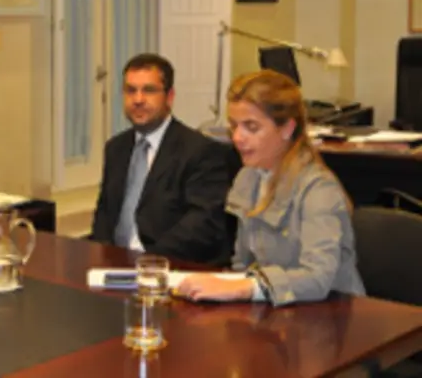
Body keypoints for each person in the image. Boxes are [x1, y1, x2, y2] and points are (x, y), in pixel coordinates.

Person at [177, 70, 365, 306]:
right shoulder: (248, 177)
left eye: (251, 127)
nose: (237, 138)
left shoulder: (318, 190)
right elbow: (242, 263)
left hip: (333, 316)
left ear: (287, 129)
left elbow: (318, 278)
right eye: (234, 126)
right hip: (278, 311)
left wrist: (243, 288)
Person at [89, 53, 233, 265]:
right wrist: (101, 255)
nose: (138, 99)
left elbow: (202, 225)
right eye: (130, 90)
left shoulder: (201, 151)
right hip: (114, 264)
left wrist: (146, 262)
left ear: (170, 96)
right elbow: (105, 213)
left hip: (168, 267)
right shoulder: (116, 148)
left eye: (149, 90)